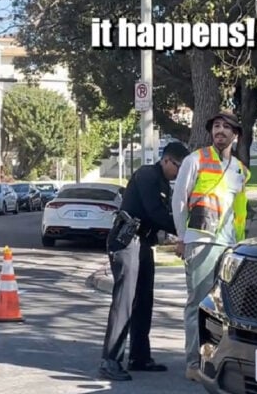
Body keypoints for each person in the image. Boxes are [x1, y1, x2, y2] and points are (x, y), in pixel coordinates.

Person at [98, 142, 191, 381]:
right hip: (126, 241)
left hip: (143, 244)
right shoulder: (147, 175)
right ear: (167, 160)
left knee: (144, 301)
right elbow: (156, 213)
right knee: (124, 302)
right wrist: (185, 231)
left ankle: (139, 356)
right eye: (178, 167)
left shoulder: (163, 182)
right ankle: (110, 360)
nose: (179, 172)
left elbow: (163, 214)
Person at [171, 110, 250, 381]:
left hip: (228, 246)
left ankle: (216, 359)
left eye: (227, 127)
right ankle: (193, 364)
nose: (220, 131)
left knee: (224, 308)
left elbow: (239, 211)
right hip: (201, 241)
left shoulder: (240, 169)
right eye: (216, 126)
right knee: (198, 304)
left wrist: (239, 246)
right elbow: (179, 200)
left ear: (235, 135)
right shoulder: (196, 159)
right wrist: (181, 237)